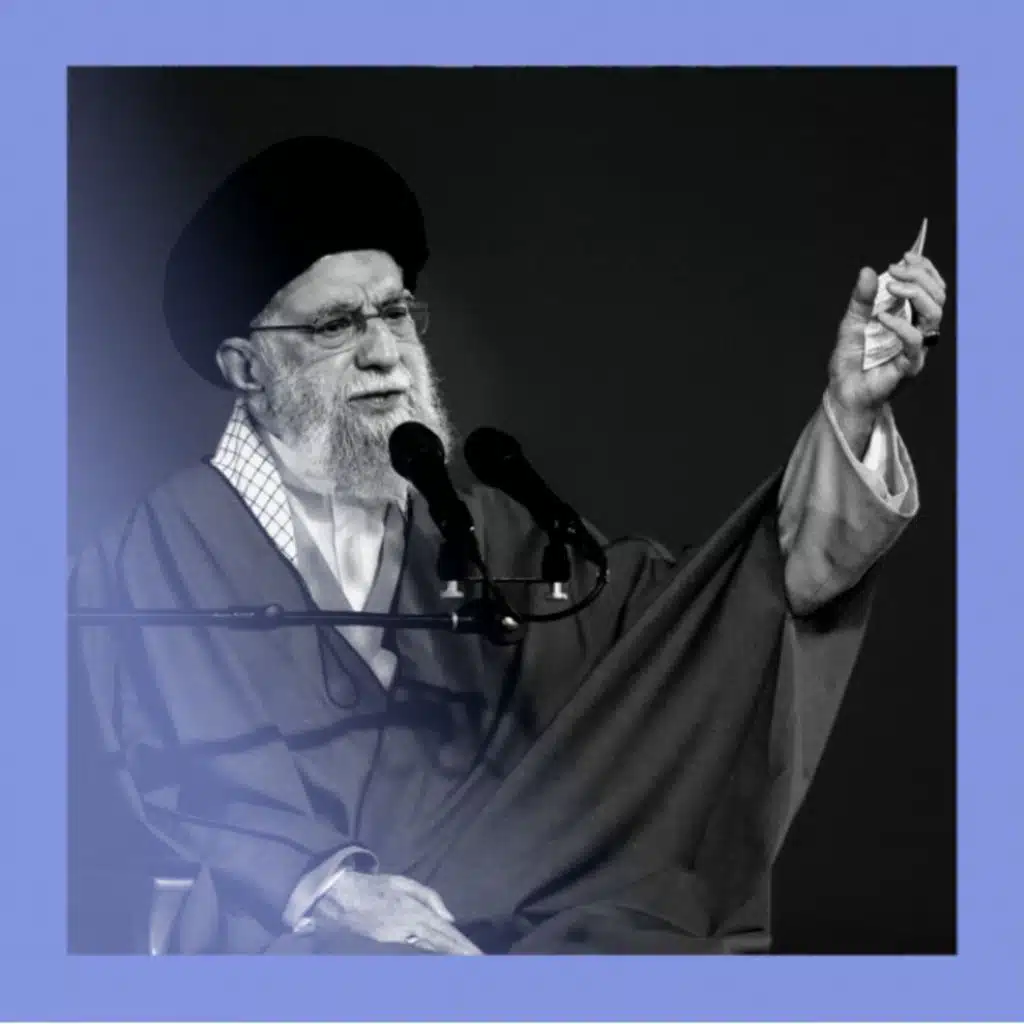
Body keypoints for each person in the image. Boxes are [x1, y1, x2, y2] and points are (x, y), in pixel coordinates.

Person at [68, 136, 946, 955]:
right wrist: (336, 890)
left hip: (484, 923)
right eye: (336, 326)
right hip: (288, 930)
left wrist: (851, 411)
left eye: (395, 313)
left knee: (640, 943)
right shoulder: (163, 543)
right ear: (244, 367)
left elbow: (690, 625)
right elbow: (190, 785)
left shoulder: (479, 526)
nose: (383, 353)